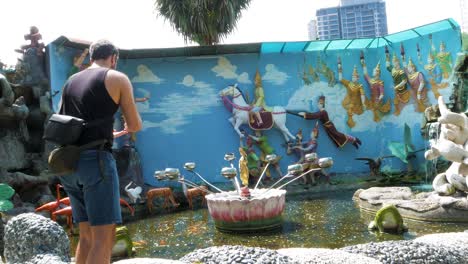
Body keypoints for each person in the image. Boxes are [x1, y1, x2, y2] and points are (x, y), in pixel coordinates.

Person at [59, 39, 142, 264]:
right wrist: (126, 127)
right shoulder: (117, 78)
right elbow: (134, 125)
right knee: (104, 238)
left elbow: (63, 122)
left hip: (68, 164)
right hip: (95, 162)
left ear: (91, 57)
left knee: (86, 236)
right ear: (113, 58)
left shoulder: (70, 81)